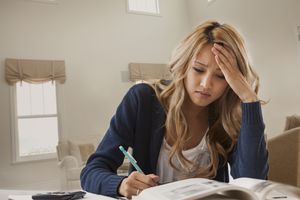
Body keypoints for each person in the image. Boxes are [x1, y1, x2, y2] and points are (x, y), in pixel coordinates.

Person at [80, 20, 268, 198]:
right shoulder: (143, 99)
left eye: (221, 76)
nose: (206, 84)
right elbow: (91, 172)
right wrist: (121, 185)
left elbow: (253, 181)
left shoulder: (228, 117)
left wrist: (249, 99)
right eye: (198, 69)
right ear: (184, 65)